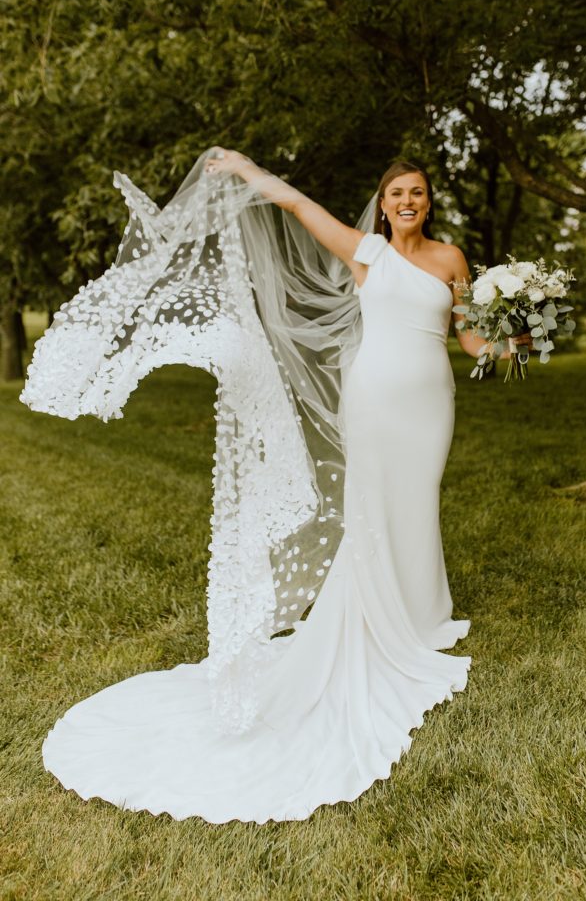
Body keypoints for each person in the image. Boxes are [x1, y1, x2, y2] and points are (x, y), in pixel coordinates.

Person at [28, 149, 531, 824]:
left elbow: (470, 341)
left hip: (430, 403)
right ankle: (382, 626)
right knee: (375, 511)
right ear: (382, 204)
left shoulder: (451, 259)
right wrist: (241, 167)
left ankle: (421, 617)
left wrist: (518, 336)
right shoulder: (362, 252)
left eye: (417, 193)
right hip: (374, 399)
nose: (407, 202)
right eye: (397, 193)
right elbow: (296, 206)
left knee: (418, 507)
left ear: (428, 202)